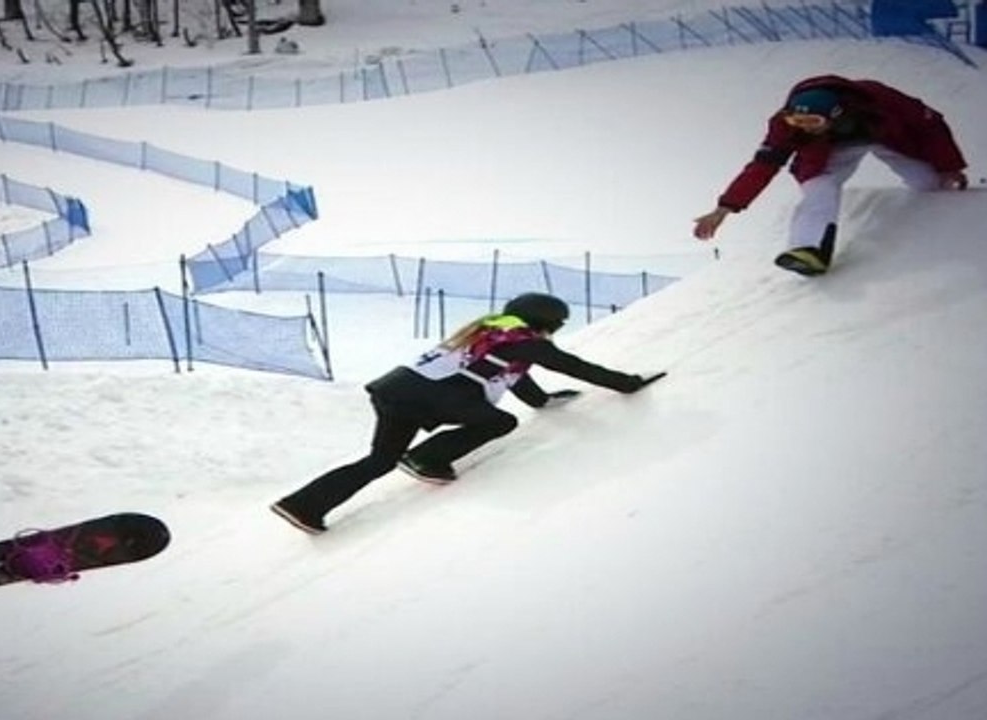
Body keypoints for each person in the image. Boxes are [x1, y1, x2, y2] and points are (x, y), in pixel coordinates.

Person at [271, 292, 665, 534]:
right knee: (500, 422)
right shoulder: (522, 340)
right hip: (428, 397)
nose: (554, 333)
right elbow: (573, 366)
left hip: (396, 390)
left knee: (379, 460)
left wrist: (542, 402)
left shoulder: (491, 330)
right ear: (546, 323)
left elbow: (505, 374)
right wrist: (628, 383)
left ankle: (302, 505)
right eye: (555, 326)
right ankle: (426, 458)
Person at [692, 75, 969, 276]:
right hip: (826, 152)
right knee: (818, 189)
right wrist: (724, 208)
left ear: (835, 114)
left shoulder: (879, 99)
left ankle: (948, 218)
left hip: (888, 139)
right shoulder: (785, 124)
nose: (803, 127)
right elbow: (763, 165)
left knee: (930, 184)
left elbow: (931, 126)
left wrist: (949, 166)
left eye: (812, 122)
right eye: (797, 122)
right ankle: (807, 250)